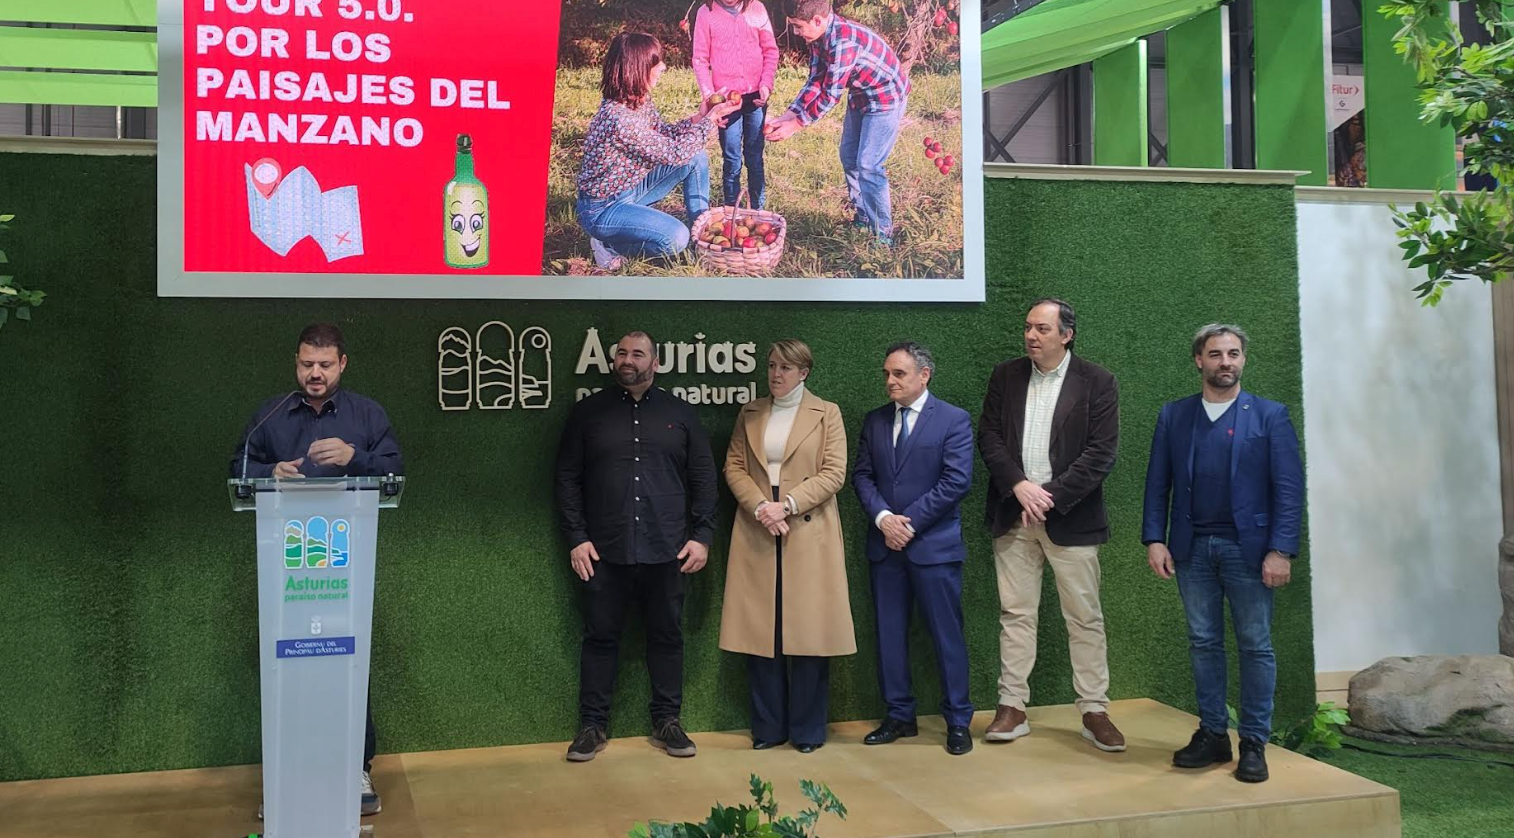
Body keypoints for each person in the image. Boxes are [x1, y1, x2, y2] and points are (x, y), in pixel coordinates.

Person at [230, 322, 402, 818]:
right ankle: (286, 771)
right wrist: (270, 473)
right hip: (287, 569)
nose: (315, 373)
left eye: (325, 365)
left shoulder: (368, 414)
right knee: (289, 665)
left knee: (349, 659)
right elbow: (237, 469)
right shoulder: (270, 416)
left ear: (342, 364)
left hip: (345, 567)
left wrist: (355, 458)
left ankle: (356, 766)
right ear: (296, 362)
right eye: (307, 364)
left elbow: (393, 473)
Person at [1142, 324, 1304, 783]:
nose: (1226, 362)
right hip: (1191, 550)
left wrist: (1281, 550)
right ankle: (1213, 734)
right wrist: (1156, 538)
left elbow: (1288, 491)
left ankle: (1254, 742)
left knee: (1256, 645)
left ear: (1244, 360)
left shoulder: (1270, 416)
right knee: (1203, 643)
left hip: (1250, 551)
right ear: (1199, 360)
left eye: (1234, 354)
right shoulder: (1175, 417)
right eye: (1216, 354)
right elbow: (1158, 485)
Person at [554, 330, 718, 762]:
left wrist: (702, 536)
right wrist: (577, 538)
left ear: (655, 362)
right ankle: (592, 725)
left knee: (666, 636)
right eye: (622, 353)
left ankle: (667, 722)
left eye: (637, 353)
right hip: (603, 552)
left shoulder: (681, 414)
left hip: (668, 550)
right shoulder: (588, 413)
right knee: (600, 638)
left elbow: (704, 478)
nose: (628, 360)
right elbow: (567, 479)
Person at [976, 299, 1125, 753]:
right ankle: (1012, 707)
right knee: (1016, 613)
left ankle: (1094, 709)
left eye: (1042, 328)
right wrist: (1020, 486)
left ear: (1067, 334)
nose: (1031, 336)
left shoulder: (1098, 382)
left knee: (1084, 617)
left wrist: (1049, 496)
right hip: (1014, 512)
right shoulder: (1006, 375)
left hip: (1071, 519)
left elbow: (1101, 453)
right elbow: (989, 437)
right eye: (1027, 327)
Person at [719, 340, 855, 753]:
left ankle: (808, 731)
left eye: (786, 367)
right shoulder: (751, 412)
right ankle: (768, 729)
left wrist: (789, 505)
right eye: (772, 366)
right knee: (762, 631)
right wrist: (762, 506)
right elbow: (734, 467)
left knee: (809, 633)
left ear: (804, 372)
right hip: (759, 526)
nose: (776, 374)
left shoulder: (826, 412)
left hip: (806, 527)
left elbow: (835, 472)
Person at [852, 341, 975, 755]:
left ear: (924, 375)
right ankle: (899, 715)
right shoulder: (874, 421)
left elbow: (957, 481)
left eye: (899, 374)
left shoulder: (954, 420)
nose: (890, 381)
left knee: (946, 636)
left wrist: (909, 523)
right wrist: (885, 519)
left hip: (934, 548)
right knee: (889, 635)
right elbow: (863, 477)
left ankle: (958, 720)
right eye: (886, 373)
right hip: (885, 547)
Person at [577, 32, 742, 272]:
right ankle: (609, 244)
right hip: (603, 209)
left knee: (696, 158)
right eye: (657, 63)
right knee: (675, 239)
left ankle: (703, 234)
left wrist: (700, 116)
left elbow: (665, 134)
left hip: (629, 190)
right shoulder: (620, 119)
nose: (663, 67)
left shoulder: (636, 100)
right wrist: (709, 121)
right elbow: (674, 154)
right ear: (637, 68)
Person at [764, 0, 909, 245]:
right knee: (849, 156)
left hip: (885, 97)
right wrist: (790, 114)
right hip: (862, 95)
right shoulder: (819, 37)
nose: (797, 33)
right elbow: (816, 80)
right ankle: (864, 215)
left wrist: (797, 125)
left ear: (817, 21)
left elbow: (831, 94)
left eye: (798, 27)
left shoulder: (842, 42)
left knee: (869, 164)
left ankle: (883, 232)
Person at [692, 0, 780, 209]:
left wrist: (766, 84)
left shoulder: (757, 8)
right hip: (726, 100)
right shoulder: (706, 13)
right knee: (731, 157)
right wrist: (709, 96)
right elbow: (700, 59)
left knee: (754, 155)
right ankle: (732, 209)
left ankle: (757, 208)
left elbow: (770, 51)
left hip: (756, 96)